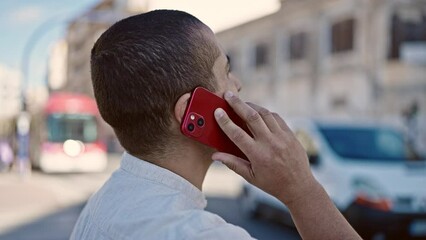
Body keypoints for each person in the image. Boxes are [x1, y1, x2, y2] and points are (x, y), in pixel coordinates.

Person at [70, 10, 361, 240]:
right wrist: (301, 190)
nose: (238, 85)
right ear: (190, 113)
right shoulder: (201, 234)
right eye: (226, 72)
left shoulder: (103, 204)